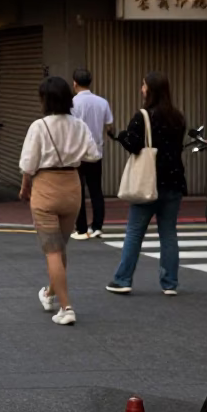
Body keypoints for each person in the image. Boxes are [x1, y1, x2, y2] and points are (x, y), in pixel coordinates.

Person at [19, 76, 100, 326]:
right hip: (72, 187)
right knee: (60, 248)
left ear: (45, 100)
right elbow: (93, 154)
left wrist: (25, 187)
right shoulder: (79, 125)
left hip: (45, 187)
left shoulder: (39, 126)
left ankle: (66, 308)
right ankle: (49, 294)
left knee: (52, 250)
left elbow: (28, 164)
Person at [106, 72, 186, 297]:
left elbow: (133, 145)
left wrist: (121, 135)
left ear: (150, 89)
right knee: (168, 233)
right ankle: (170, 283)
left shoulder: (143, 116)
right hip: (174, 181)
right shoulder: (178, 117)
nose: (141, 89)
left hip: (149, 182)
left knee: (134, 232)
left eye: (143, 85)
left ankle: (123, 280)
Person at [70, 68, 114, 241]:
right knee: (96, 190)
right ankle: (97, 227)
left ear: (75, 83)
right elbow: (109, 126)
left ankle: (81, 228)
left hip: (77, 154)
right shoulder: (102, 102)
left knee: (78, 191)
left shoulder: (72, 103)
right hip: (96, 152)